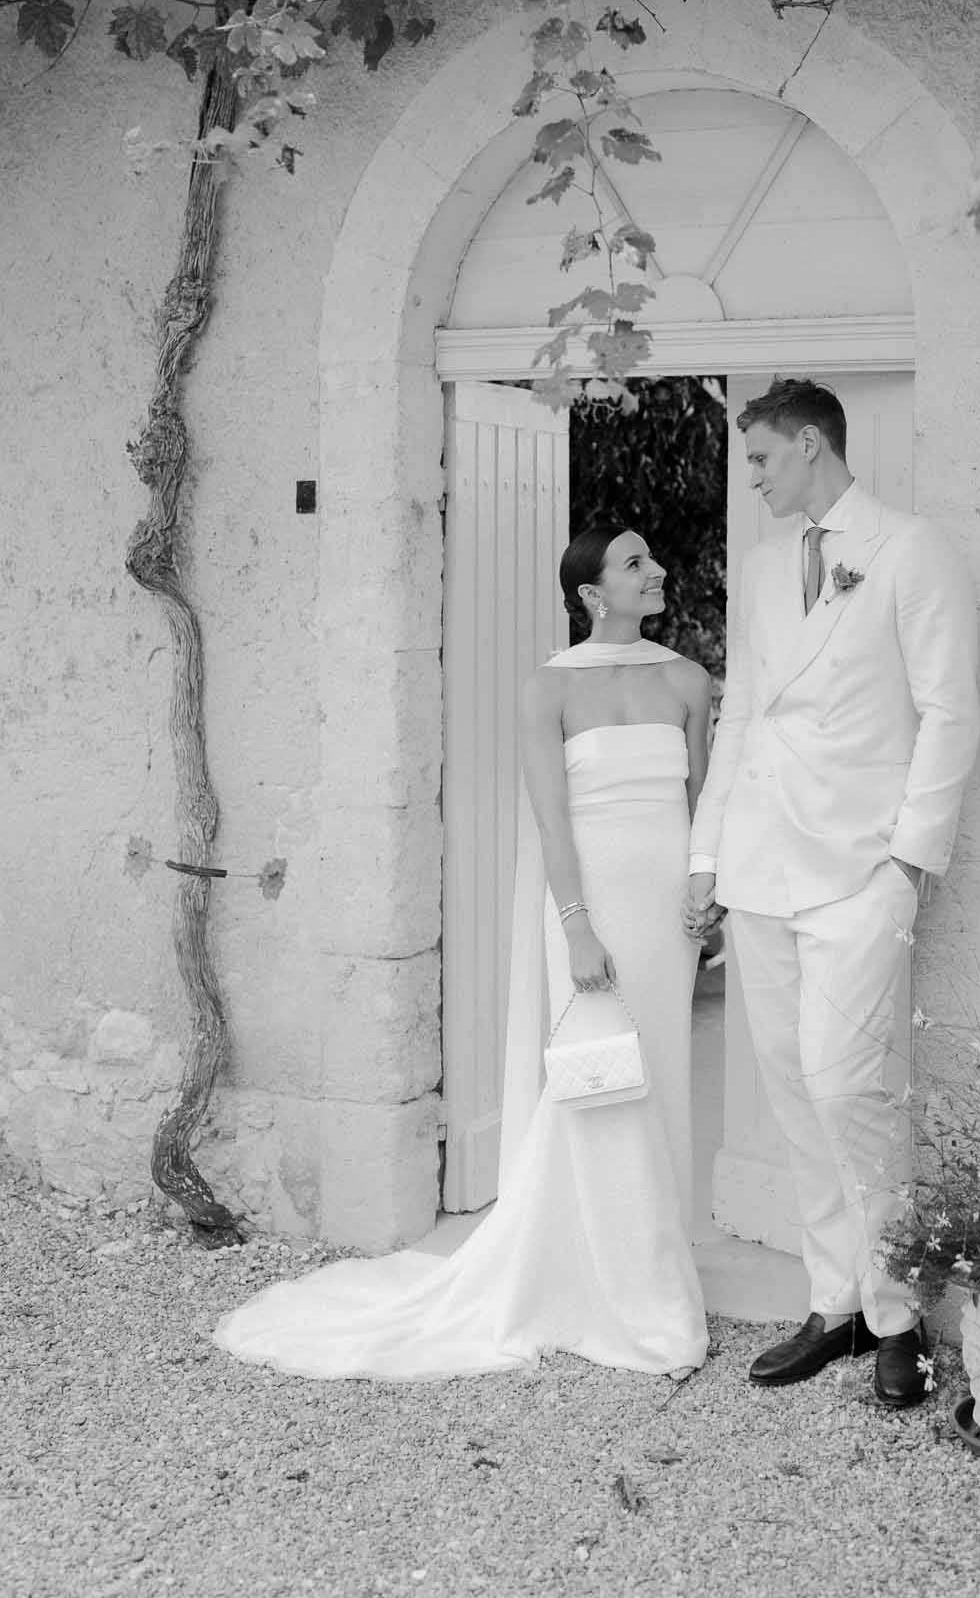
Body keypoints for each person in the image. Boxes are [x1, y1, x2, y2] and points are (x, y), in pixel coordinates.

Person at [214, 523, 713, 1380]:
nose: (657, 570)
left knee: (659, 1076)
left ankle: (652, 1266)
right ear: (591, 593)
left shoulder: (687, 679)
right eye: (635, 563)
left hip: (669, 917)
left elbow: (702, 802)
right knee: (593, 1083)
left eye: (651, 558)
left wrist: (708, 893)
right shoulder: (548, 688)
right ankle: (602, 1282)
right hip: (590, 908)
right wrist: (576, 924)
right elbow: (551, 821)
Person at [685, 377, 980, 1406]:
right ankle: (835, 1301)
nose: (753, 477)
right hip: (762, 864)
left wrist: (910, 861)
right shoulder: (765, 567)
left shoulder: (911, 549)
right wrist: (707, 855)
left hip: (861, 868)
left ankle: (898, 1313)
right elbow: (741, 715)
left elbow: (949, 711)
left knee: (847, 1087)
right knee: (791, 1090)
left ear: (811, 443)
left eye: (762, 457)